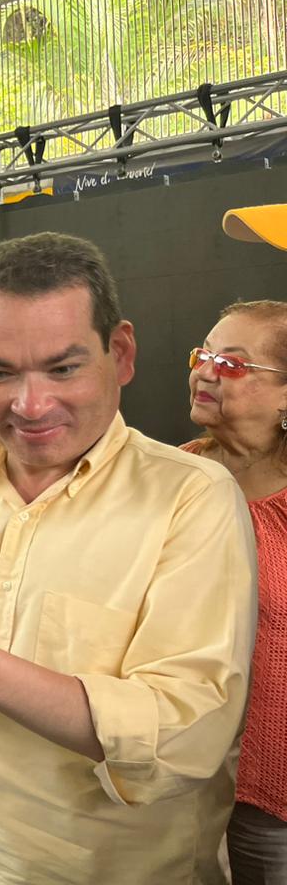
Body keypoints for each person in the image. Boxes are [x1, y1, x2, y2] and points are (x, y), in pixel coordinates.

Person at [0, 232, 258, 885]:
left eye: (62, 369)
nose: (29, 406)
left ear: (120, 353)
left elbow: (183, 737)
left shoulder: (192, 500)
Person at [183, 299, 287, 885]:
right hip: (176, 773)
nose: (205, 370)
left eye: (234, 363)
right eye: (204, 354)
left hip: (270, 793)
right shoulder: (173, 476)